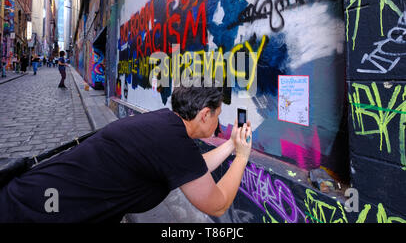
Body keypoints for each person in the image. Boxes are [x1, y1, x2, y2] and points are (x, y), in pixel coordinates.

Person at [0, 81, 252, 222]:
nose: (219, 125)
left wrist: (231, 145)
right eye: (217, 116)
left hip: (35, 196)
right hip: (33, 211)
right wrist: (242, 157)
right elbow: (217, 205)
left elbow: (192, 168)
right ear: (204, 114)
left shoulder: (164, 124)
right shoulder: (173, 141)